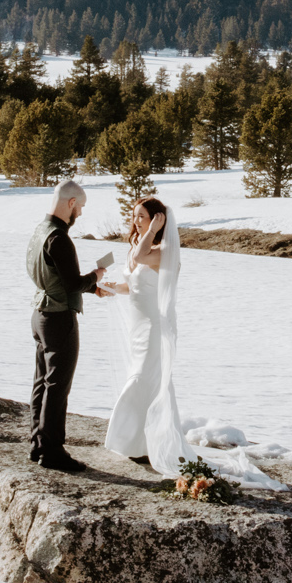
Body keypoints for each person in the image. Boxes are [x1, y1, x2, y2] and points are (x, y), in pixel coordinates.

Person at [26, 178, 113, 471]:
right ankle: (52, 452)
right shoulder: (59, 237)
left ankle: (38, 445)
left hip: (40, 314)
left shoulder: (41, 230)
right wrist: (95, 276)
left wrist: (91, 288)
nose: (81, 215)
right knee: (57, 385)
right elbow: (72, 281)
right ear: (71, 204)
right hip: (59, 318)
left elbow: (55, 276)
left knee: (42, 381)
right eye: (81, 208)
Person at [101, 197, 183, 474]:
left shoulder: (164, 251)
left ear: (158, 221)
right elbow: (135, 286)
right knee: (145, 379)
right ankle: (143, 445)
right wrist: (113, 288)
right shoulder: (140, 246)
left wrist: (149, 233)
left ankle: (137, 442)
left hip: (154, 327)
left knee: (143, 380)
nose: (136, 222)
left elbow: (139, 259)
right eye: (134, 216)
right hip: (138, 326)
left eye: (142, 217)